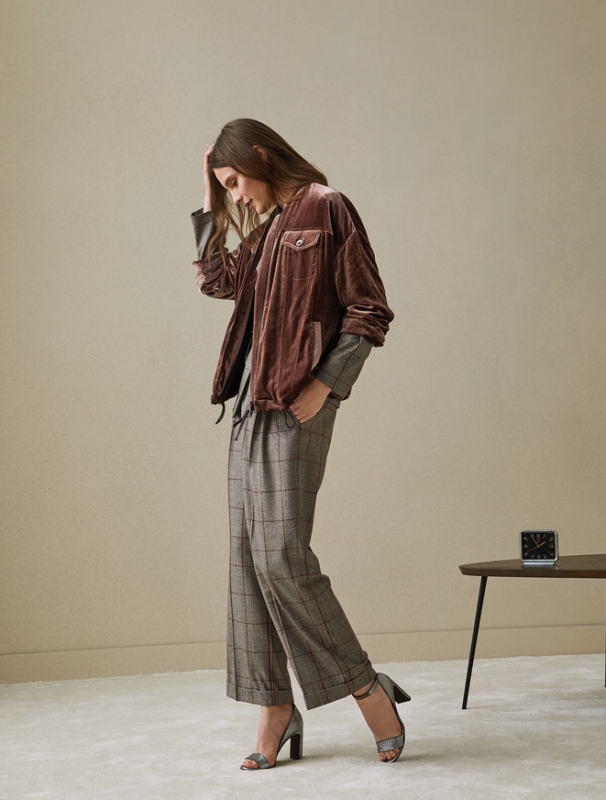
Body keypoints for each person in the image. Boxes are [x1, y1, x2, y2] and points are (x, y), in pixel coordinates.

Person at [191, 119, 408, 770]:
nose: (238, 195)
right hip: (247, 405)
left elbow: (369, 309)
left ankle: (366, 686)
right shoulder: (265, 230)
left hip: (293, 402)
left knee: (282, 556)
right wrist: (211, 200)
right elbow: (216, 281)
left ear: (262, 156)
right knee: (249, 563)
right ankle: (275, 709)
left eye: (237, 180)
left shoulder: (327, 207)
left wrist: (326, 385)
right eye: (227, 186)